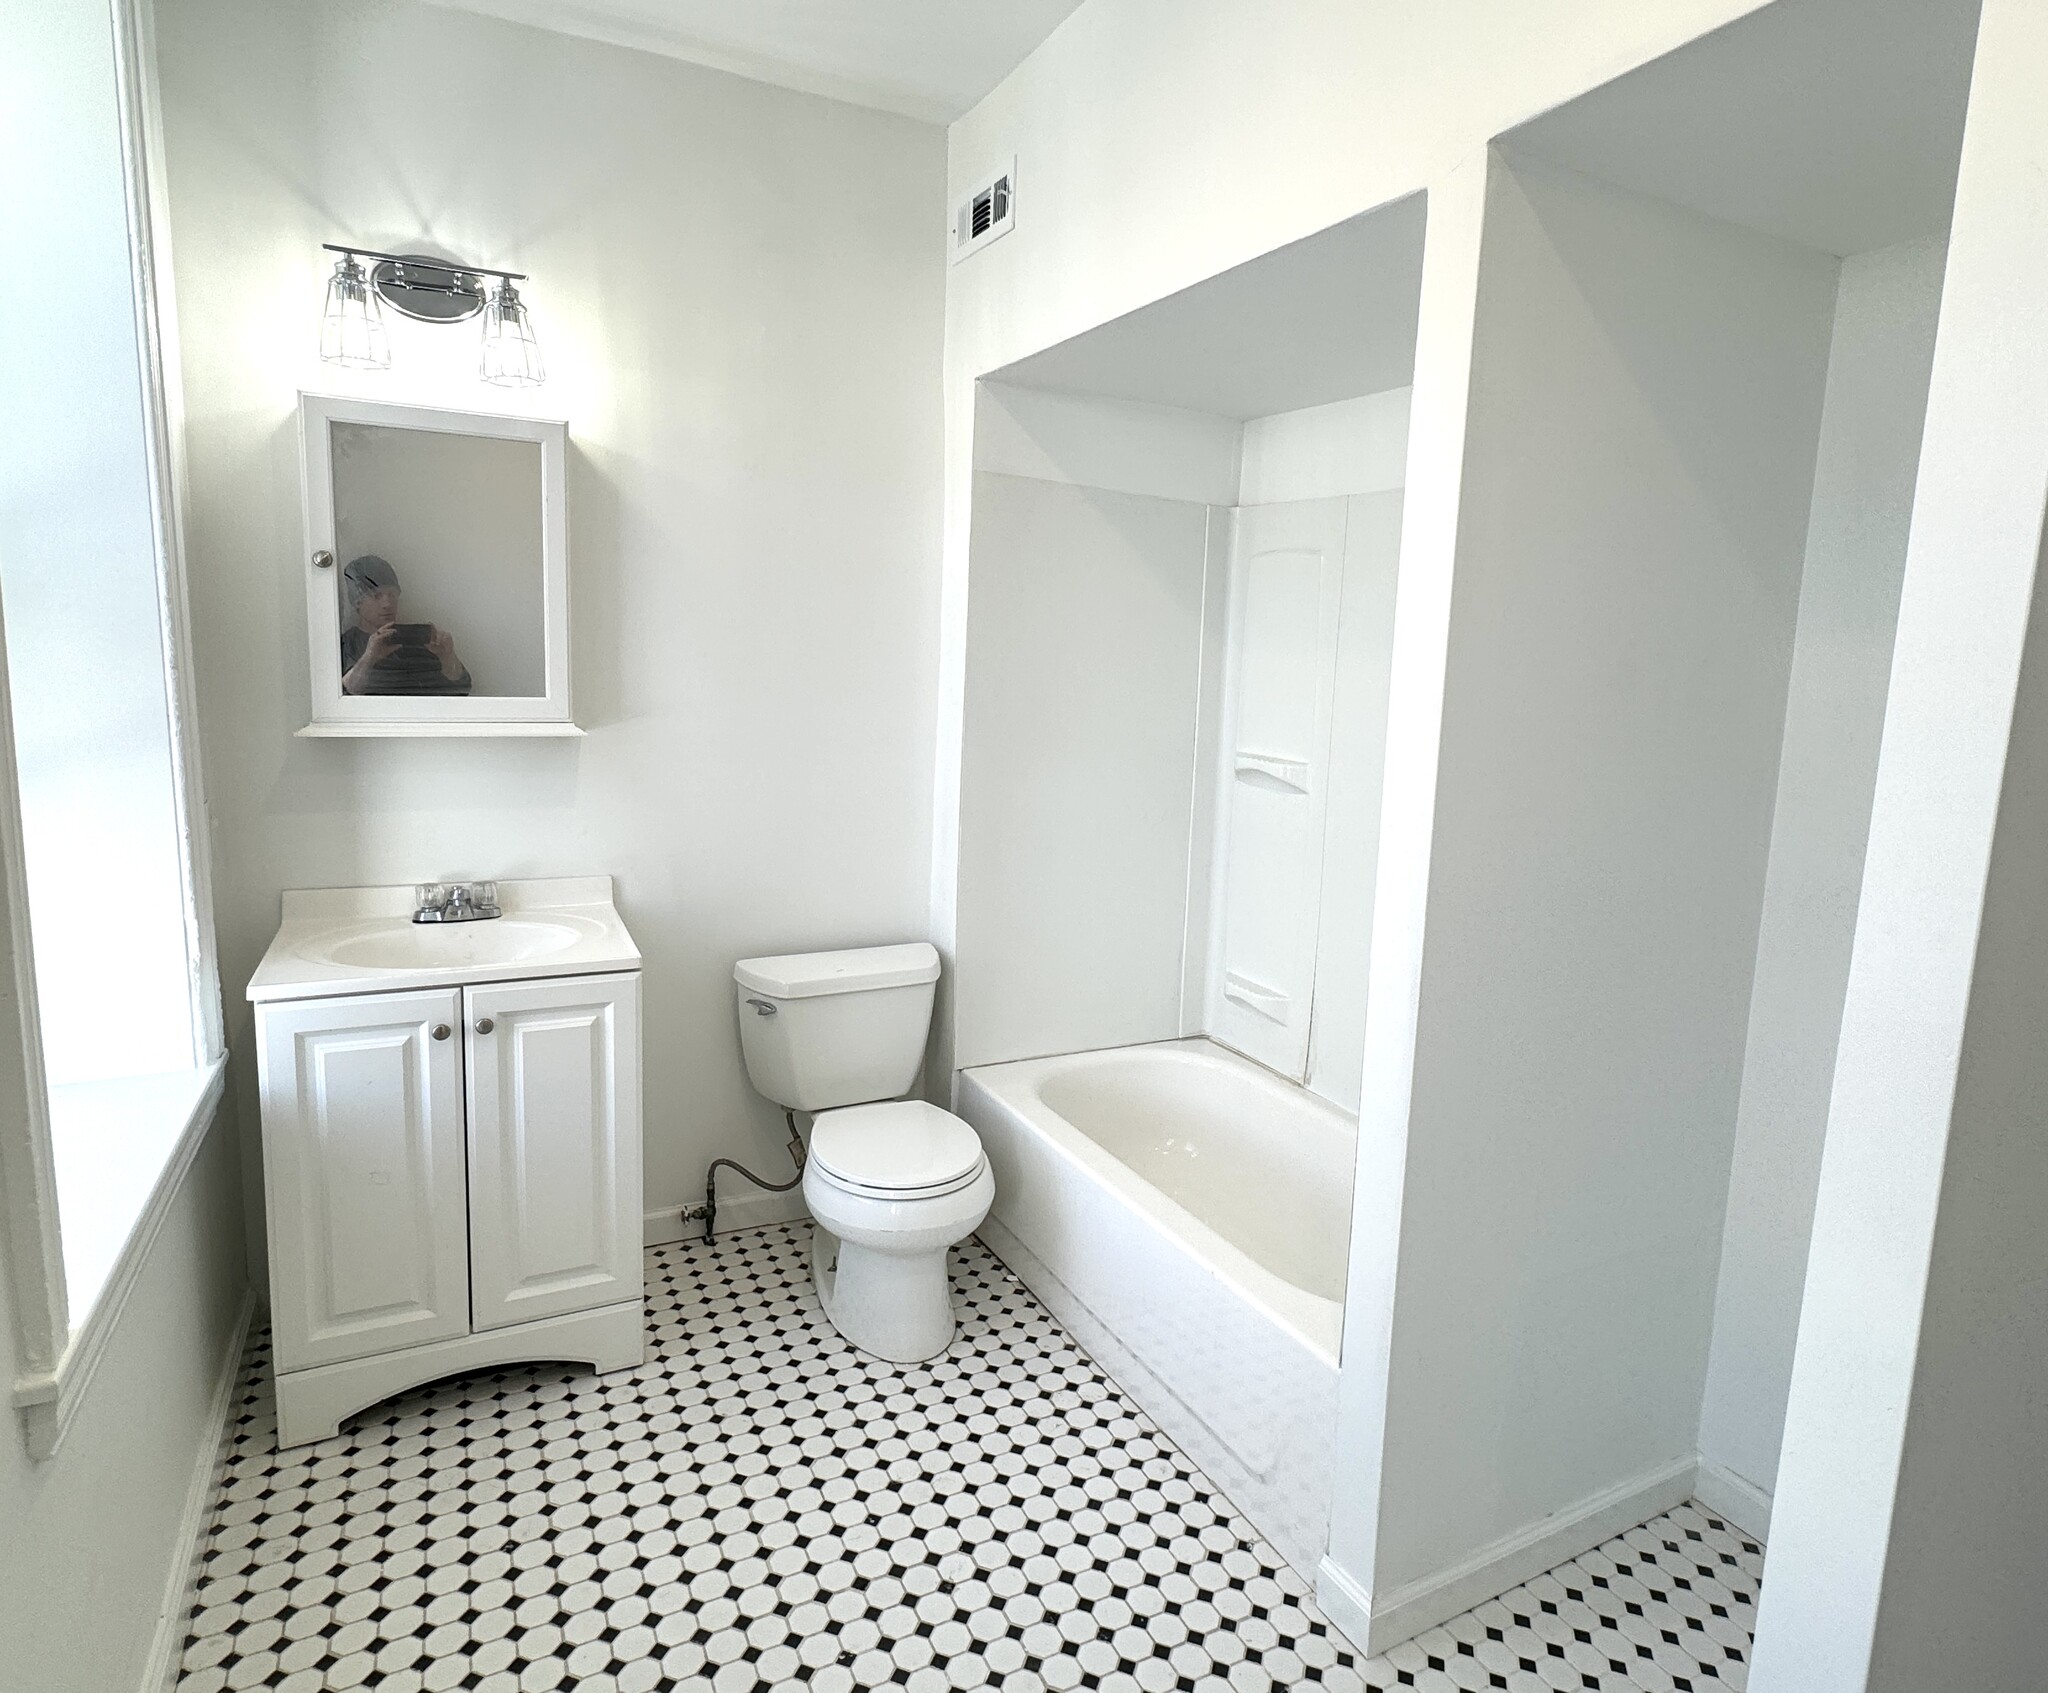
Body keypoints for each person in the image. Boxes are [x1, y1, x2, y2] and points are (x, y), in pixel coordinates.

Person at [339, 555, 472, 695]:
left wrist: (447, 655)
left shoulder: (416, 641)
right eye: (376, 596)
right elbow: (345, 694)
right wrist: (370, 657)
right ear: (357, 602)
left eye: (392, 594)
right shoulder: (347, 644)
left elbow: (460, 689)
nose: (387, 604)